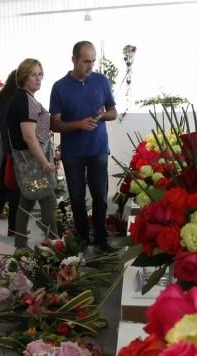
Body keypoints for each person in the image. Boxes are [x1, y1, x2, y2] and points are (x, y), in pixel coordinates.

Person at [49, 41, 117, 252]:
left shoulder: (101, 81)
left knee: (100, 197)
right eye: (86, 61)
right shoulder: (59, 87)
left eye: (93, 61)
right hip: (72, 153)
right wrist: (79, 124)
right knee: (77, 198)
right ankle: (82, 239)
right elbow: (54, 123)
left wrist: (100, 116)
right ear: (74, 59)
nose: (90, 66)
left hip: (98, 149)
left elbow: (113, 113)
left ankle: (101, 238)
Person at [8, 59, 57, 249]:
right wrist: (44, 162)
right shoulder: (24, 100)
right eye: (33, 75)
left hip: (27, 161)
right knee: (48, 198)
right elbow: (29, 137)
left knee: (27, 199)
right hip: (33, 161)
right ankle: (54, 243)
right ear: (23, 77)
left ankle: (20, 243)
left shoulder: (22, 97)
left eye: (40, 74)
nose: (38, 79)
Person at [0, 69, 20, 236]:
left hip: (2, 150)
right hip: (15, 150)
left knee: (5, 188)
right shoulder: (19, 100)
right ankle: (13, 228)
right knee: (14, 189)